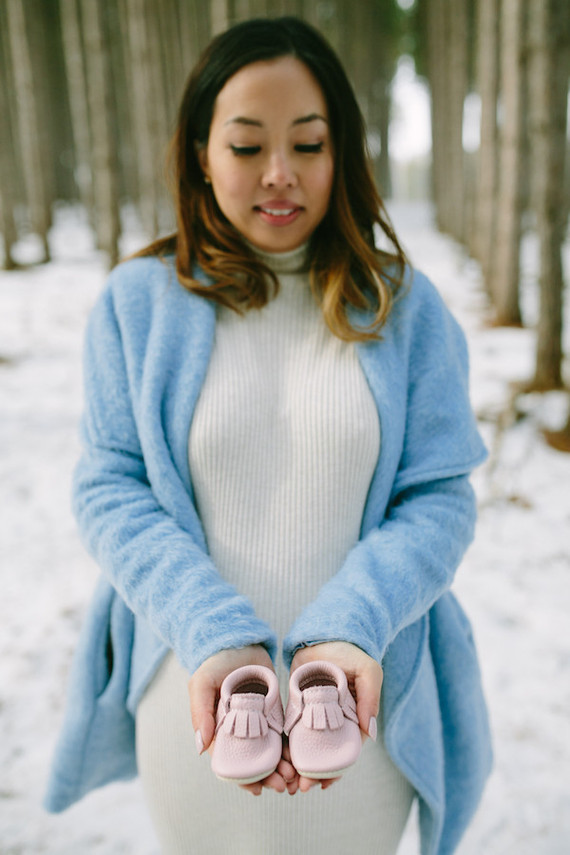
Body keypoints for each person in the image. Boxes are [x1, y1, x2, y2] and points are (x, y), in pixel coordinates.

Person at [44, 16, 492, 855]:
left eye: (309, 144)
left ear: (343, 152)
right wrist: (213, 630)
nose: (280, 175)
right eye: (247, 147)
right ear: (200, 155)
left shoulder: (405, 309)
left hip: (363, 702)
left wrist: (352, 626)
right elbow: (111, 486)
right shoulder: (136, 305)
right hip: (204, 702)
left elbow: (438, 496)